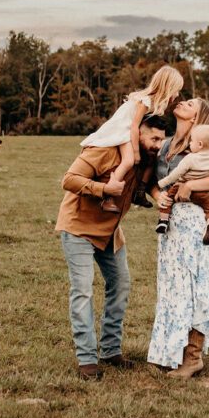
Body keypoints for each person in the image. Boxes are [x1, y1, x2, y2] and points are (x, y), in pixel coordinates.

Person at [57, 113, 168, 380]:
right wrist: (104, 189)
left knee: (120, 285)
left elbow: (148, 183)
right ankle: (87, 360)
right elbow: (69, 180)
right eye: (154, 138)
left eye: (161, 140)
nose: (157, 145)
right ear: (137, 132)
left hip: (111, 232)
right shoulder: (104, 151)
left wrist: (158, 196)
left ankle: (110, 350)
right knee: (83, 291)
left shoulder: (145, 159)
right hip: (79, 228)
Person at [147, 99, 209, 379]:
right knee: (173, 287)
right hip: (170, 224)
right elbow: (151, 178)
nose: (183, 101)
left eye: (191, 103)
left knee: (194, 285)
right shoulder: (167, 143)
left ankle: (193, 357)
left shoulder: (201, 145)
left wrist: (191, 184)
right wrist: (156, 194)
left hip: (194, 222)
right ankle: (171, 352)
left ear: (199, 117)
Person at [79, 65, 183, 211]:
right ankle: (108, 196)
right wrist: (135, 151)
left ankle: (139, 191)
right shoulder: (146, 101)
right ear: (168, 87)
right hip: (121, 129)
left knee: (148, 159)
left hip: (127, 130)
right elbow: (134, 126)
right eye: (177, 89)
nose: (177, 94)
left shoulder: (153, 103)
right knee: (128, 161)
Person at [155, 123, 209, 243]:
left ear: (200, 144)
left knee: (168, 200)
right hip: (202, 194)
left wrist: (163, 183)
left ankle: (163, 221)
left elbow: (176, 174)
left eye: (192, 142)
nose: (190, 144)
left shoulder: (190, 158)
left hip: (179, 189)